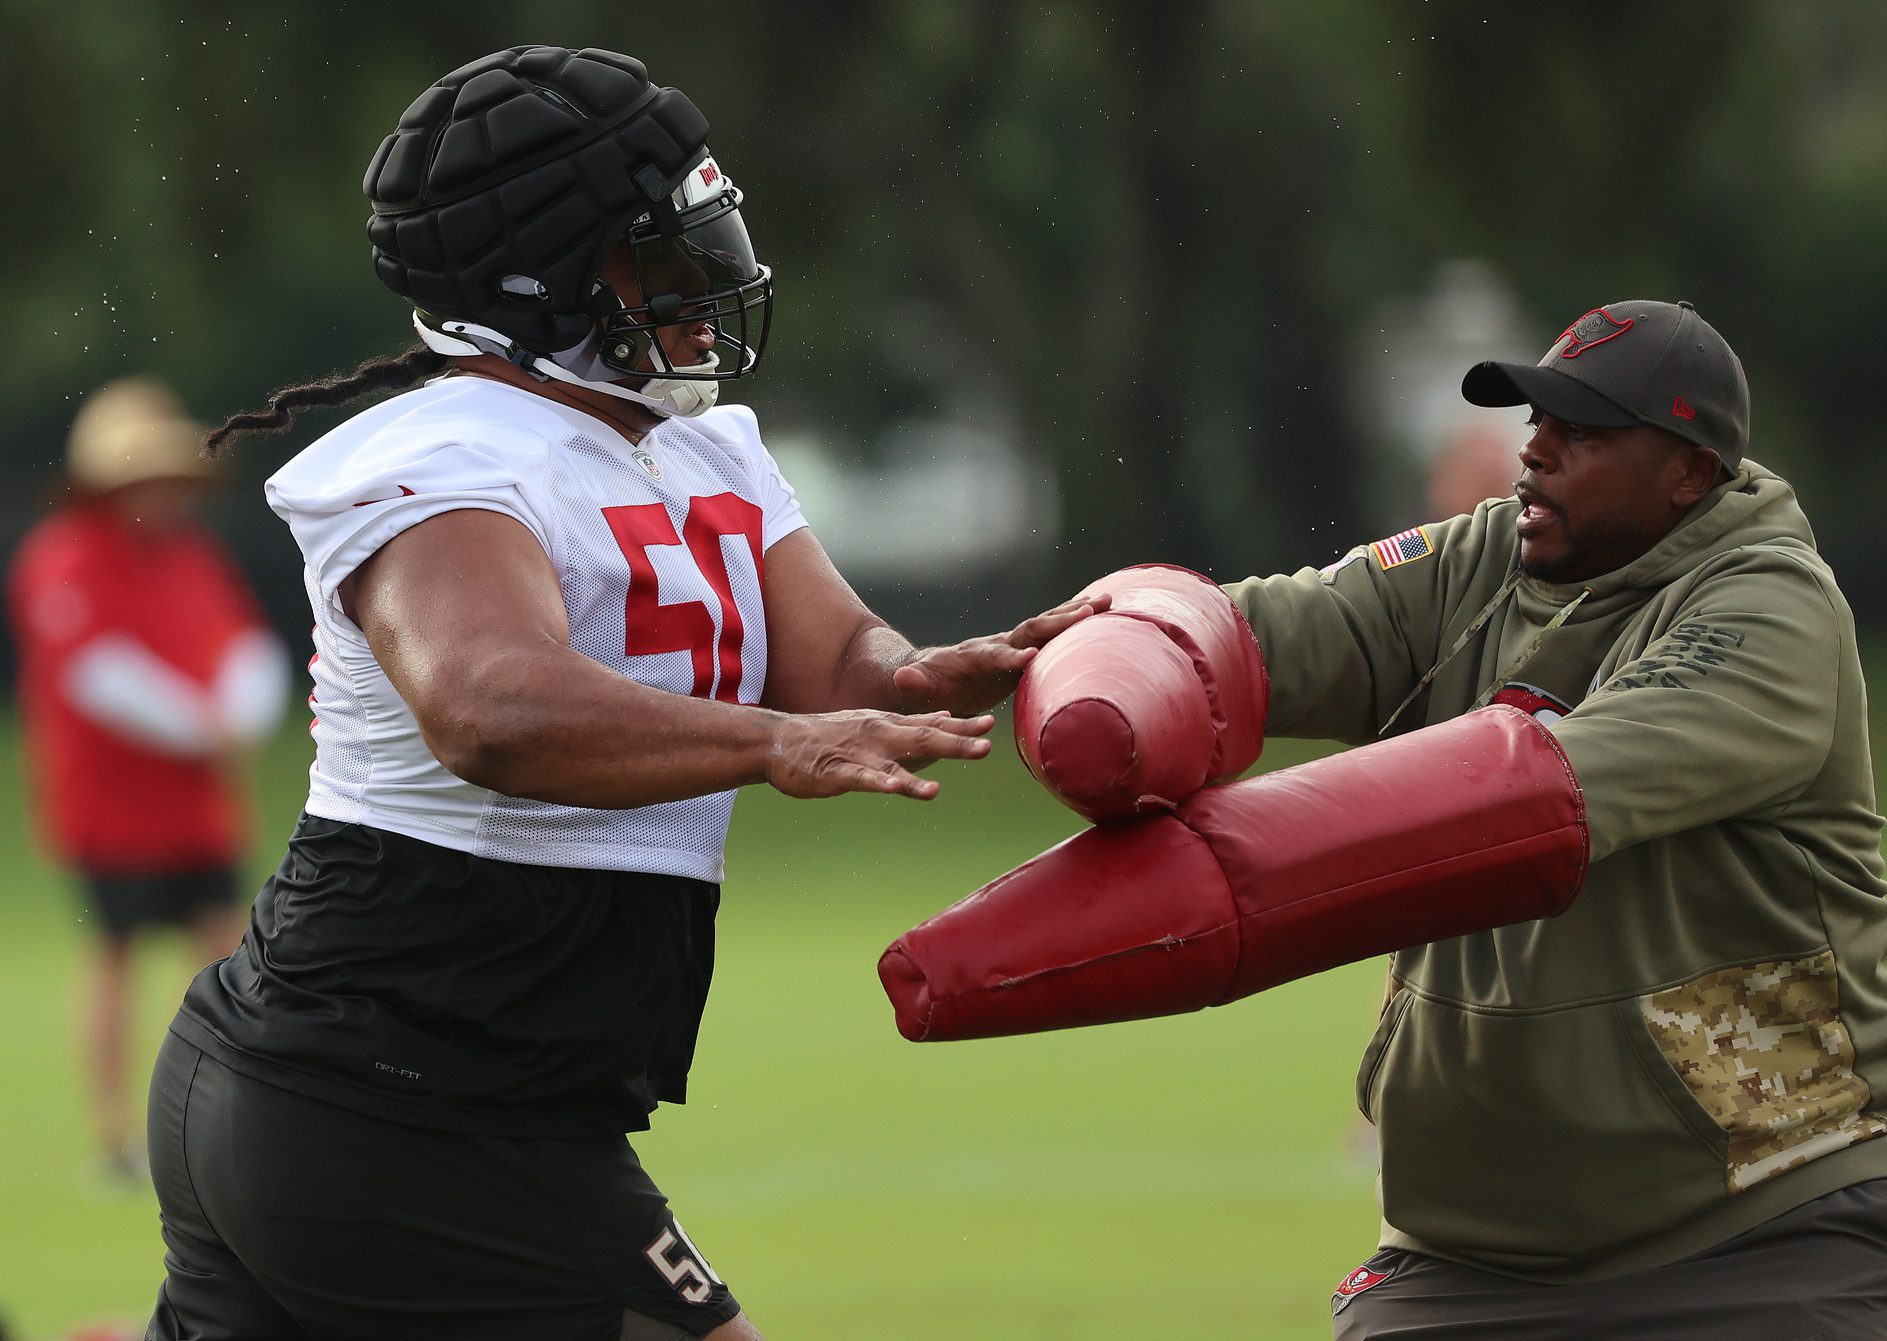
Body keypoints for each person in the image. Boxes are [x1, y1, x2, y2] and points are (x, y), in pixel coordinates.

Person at [142, 45, 1100, 1341]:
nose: (704, 284)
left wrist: (920, 675)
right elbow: (488, 707)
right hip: (397, 1099)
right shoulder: (444, 458)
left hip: (404, 1084)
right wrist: (776, 744)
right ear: (532, 278)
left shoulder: (697, 443)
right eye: (658, 254)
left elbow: (830, 661)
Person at [881, 300, 1887, 1337]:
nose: (1533, 452)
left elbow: (1525, 799)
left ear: (1689, 470)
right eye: (1534, 420)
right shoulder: (1482, 562)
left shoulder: (1771, 609)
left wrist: (1205, 890)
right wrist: (1121, 648)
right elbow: (1266, 633)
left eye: (1581, 433)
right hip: (1467, 1253)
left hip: (1764, 1229)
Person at [6, 376, 288, 1192]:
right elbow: (96, 673)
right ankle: (116, 1135)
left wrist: (236, 707)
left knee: (227, 953)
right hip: (108, 804)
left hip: (196, 801)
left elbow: (242, 644)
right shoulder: (60, 556)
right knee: (115, 955)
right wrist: (200, 722)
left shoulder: (190, 556)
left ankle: (229, 1115)